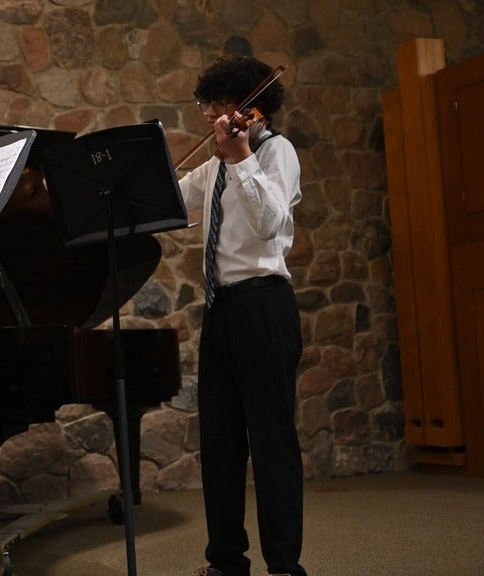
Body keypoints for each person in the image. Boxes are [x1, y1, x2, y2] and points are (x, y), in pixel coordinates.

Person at [177, 55, 306, 576]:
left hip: (264, 305)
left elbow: (271, 222)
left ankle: (284, 567)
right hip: (222, 309)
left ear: (247, 107)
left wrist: (241, 159)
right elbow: (168, 201)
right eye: (205, 105)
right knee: (221, 443)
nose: (208, 115)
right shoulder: (211, 167)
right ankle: (226, 562)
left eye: (216, 105)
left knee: (271, 440)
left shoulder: (277, 152)